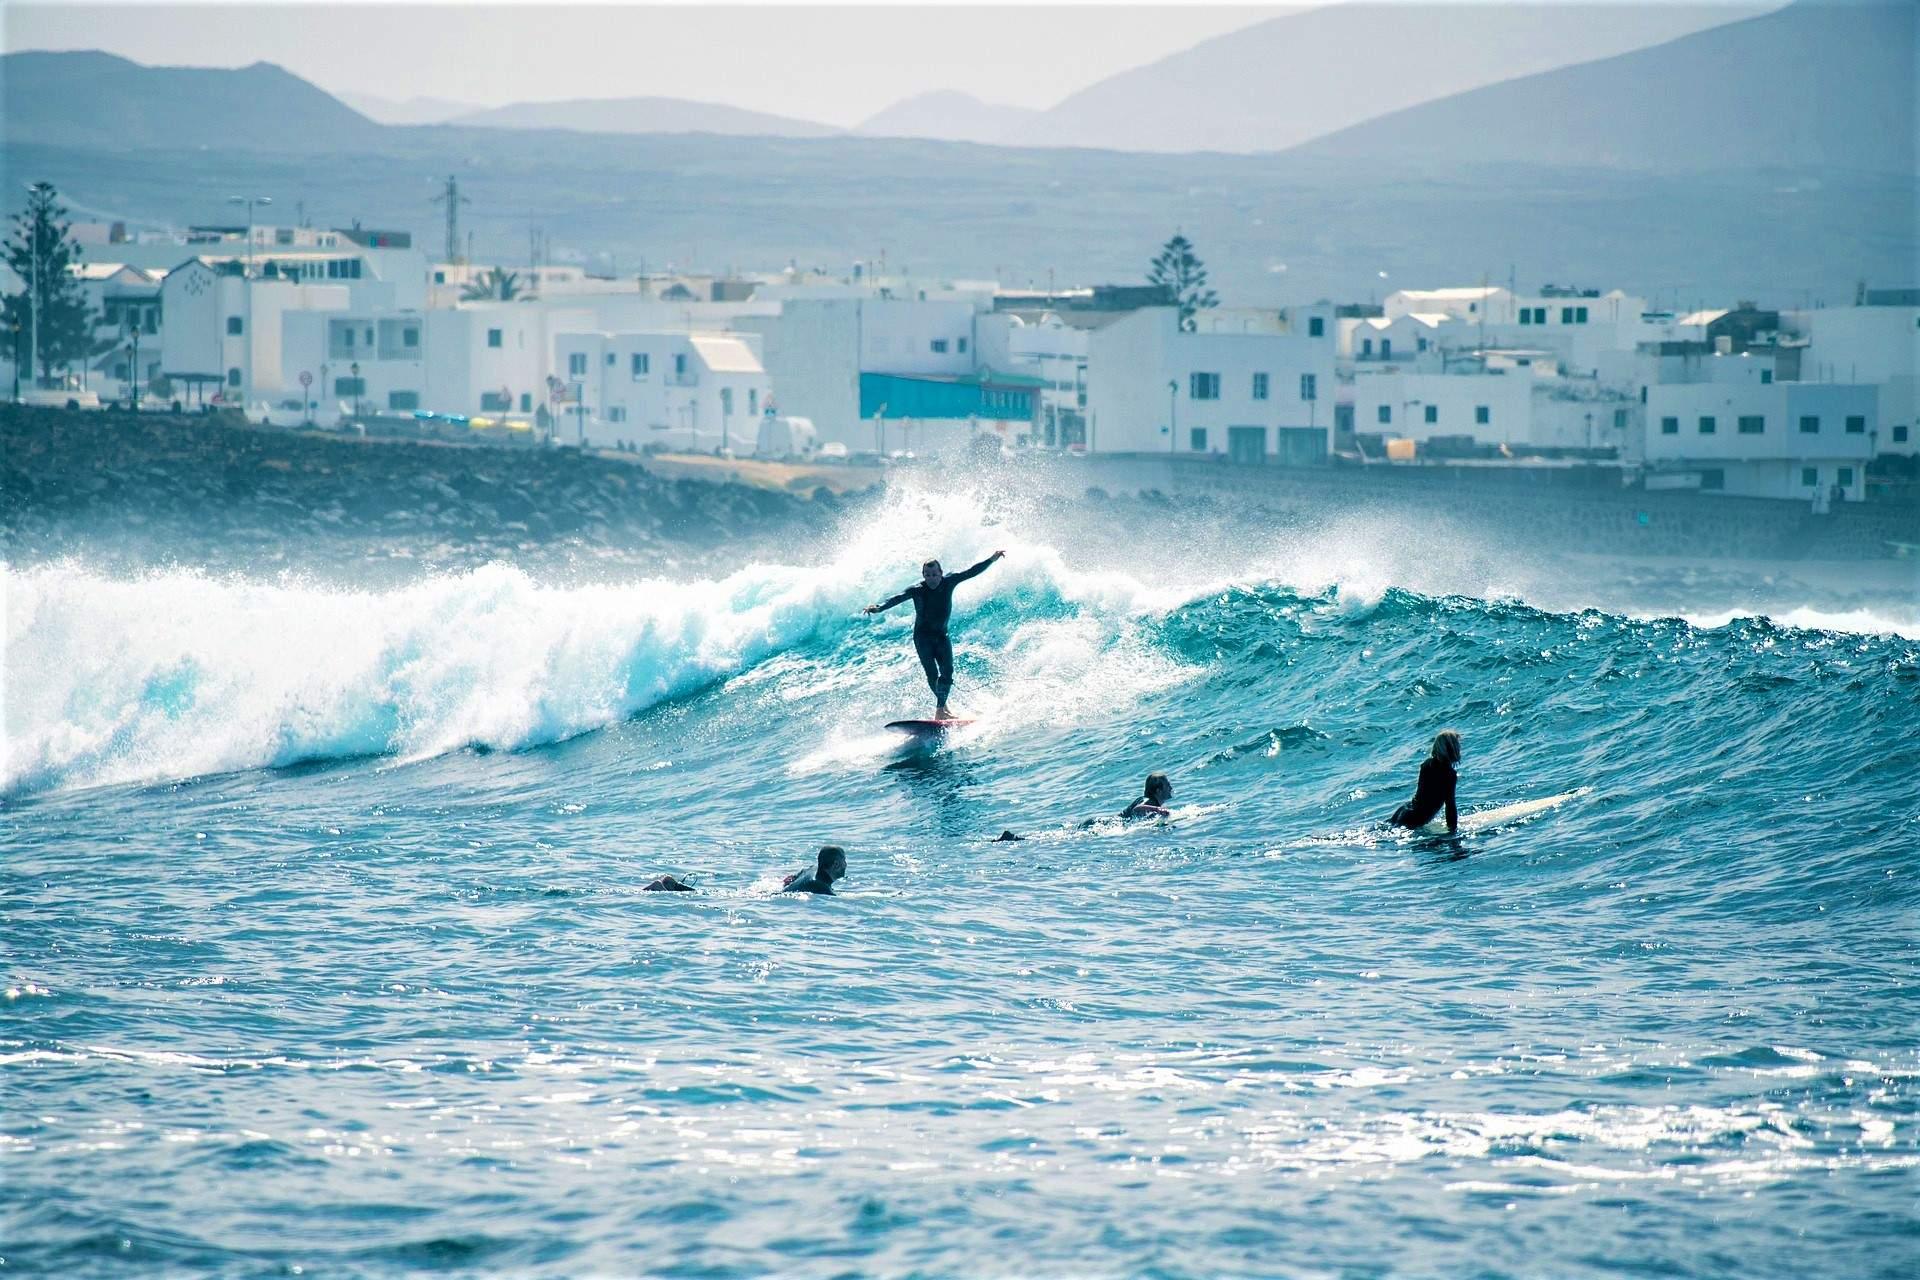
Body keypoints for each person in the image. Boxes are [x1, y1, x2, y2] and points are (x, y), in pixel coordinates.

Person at [864, 550, 1006, 719]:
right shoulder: (917, 590)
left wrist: (991, 559)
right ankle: (942, 709)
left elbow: (971, 571)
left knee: (947, 672)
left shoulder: (949, 582)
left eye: (934, 574)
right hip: (922, 638)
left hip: (941, 636)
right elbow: (897, 598)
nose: (931, 578)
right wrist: (879, 607)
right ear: (923, 575)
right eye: (927, 575)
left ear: (941, 573)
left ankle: (940, 710)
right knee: (932, 674)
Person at [1389, 731, 1461, 835]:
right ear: (1451, 749)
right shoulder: (1449, 774)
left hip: (1404, 810)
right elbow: (1450, 806)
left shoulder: (1427, 764)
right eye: (1457, 745)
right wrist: (1453, 833)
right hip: (1415, 818)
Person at [781, 845, 848, 895]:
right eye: (844, 860)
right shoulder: (821, 887)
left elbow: (789, 879)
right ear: (836, 864)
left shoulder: (812, 869)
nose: (845, 864)